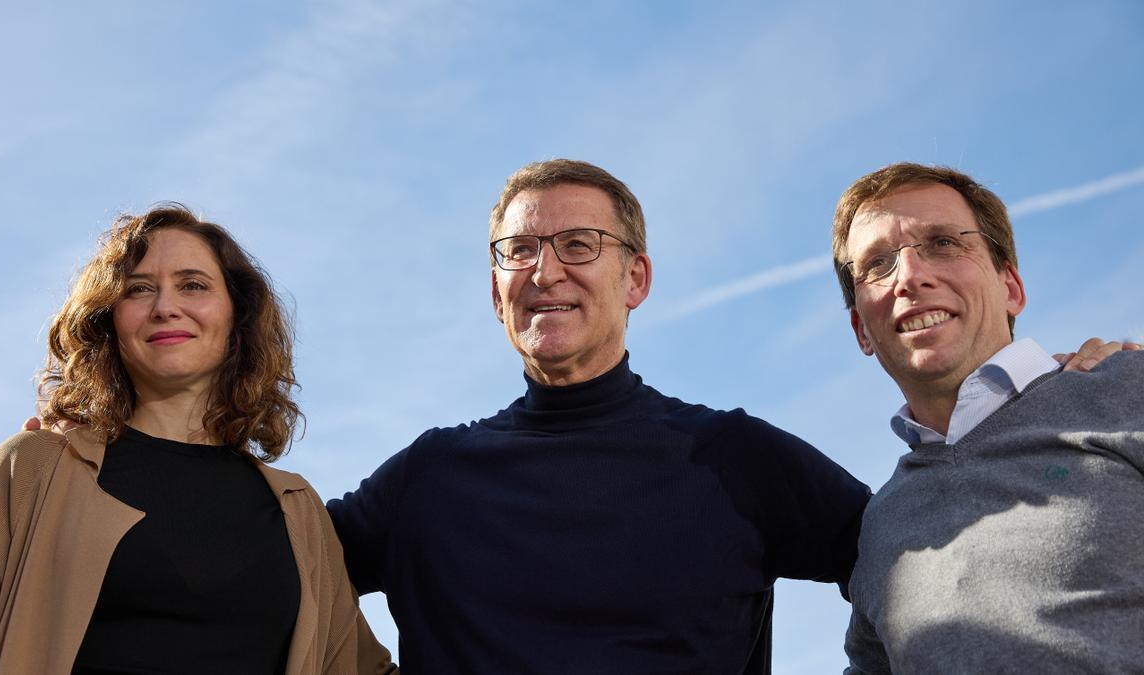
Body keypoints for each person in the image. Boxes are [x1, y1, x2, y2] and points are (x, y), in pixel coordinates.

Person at [329, 159, 874, 674]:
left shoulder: (735, 456)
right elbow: (272, 563)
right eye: (519, 250)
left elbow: (910, 557)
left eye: (577, 245)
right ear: (498, 295)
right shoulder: (428, 479)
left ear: (635, 279)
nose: (545, 272)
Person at [0, 205, 396, 674]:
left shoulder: (298, 511)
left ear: (236, 317)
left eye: (193, 285)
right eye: (139, 289)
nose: (165, 307)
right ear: (109, 320)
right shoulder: (34, 469)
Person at [831, 163, 1144, 673]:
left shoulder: (1128, 387)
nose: (910, 277)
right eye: (878, 265)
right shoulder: (882, 526)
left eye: (944, 243)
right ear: (861, 330)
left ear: (1011, 288)